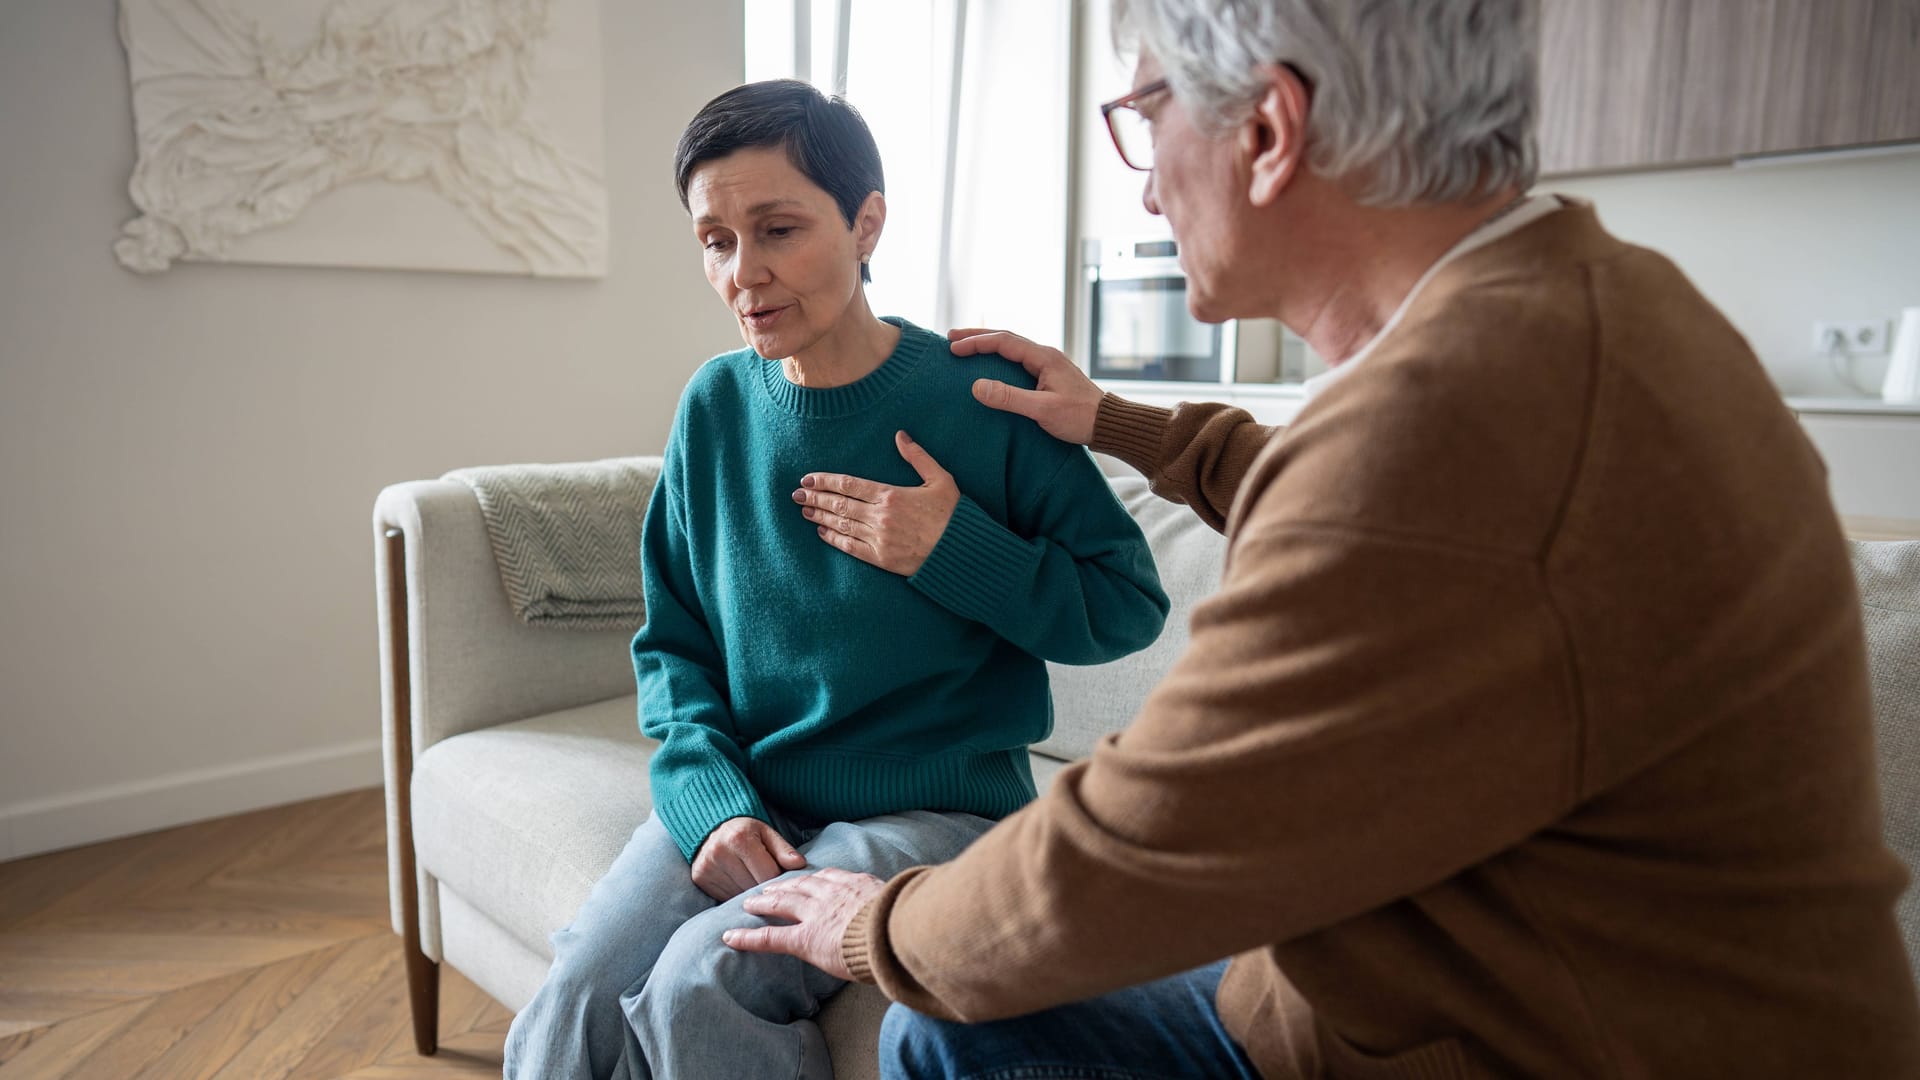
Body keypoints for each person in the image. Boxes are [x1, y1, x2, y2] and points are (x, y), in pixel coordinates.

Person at [724, 2, 1920, 1076]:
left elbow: (1145, 839)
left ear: (1271, 129)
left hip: (1533, 1042)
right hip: (1480, 996)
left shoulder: (1448, 425)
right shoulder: (1592, 306)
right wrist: (1126, 426)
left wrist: (870, 926)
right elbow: (1401, 524)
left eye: (1147, 113)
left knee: (944, 1025)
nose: (1144, 188)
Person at [500, 79, 1170, 1080]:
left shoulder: (980, 397)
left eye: (777, 230)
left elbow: (1126, 607)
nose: (745, 274)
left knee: (702, 981)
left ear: (867, 223)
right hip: (757, 795)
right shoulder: (716, 404)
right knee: (577, 997)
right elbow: (674, 647)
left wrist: (953, 549)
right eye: (715, 241)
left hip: (939, 813)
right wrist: (713, 805)